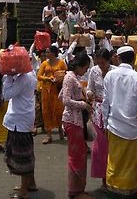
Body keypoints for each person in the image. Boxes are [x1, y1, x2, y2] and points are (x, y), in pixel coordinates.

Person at [102, 46, 137, 196]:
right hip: (132, 129)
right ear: (133, 59)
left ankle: (113, 187)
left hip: (114, 126)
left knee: (114, 160)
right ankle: (128, 190)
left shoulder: (109, 75)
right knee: (130, 164)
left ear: (118, 58)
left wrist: (104, 124)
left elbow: (105, 103)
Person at [2, 62, 38, 199]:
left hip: (19, 120)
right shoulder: (29, 75)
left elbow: (6, 94)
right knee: (27, 153)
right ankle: (30, 184)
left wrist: (9, 77)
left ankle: (24, 190)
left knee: (22, 156)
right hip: (22, 119)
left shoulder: (23, 78)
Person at [61, 51, 93, 199]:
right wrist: (83, 104)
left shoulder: (72, 77)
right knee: (76, 156)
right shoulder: (69, 77)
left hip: (75, 120)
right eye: (85, 67)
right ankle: (75, 190)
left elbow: (62, 94)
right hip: (72, 120)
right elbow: (65, 100)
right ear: (79, 66)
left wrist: (83, 93)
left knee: (79, 154)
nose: (86, 70)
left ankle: (78, 188)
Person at [86, 48, 115, 188]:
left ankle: (113, 176)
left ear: (109, 61)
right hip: (98, 111)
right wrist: (90, 94)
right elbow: (89, 88)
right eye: (98, 62)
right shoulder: (94, 71)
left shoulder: (115, 71)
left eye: (103, 63)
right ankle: (103, 178)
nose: (100, 65)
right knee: (100, 147)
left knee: (113, 146)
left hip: (113, 111)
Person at [37, 45, 67, 144]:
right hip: (46, 90)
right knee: (46, 111)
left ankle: (60, 130)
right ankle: (49, 135)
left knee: (58, 110)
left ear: (54, 53)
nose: (46, 54)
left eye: (48, 52)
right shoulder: (44, 63)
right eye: (46, 52)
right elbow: (39, 76)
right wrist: (48, 78)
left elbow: (66, 73)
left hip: (57, 90)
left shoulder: (61, 62)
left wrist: (59, 78)